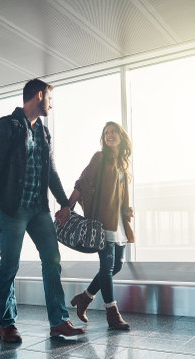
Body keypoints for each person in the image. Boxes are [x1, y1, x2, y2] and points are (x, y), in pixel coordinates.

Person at [0, 78, 85, 343]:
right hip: (11, 209)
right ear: (39, 95)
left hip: (39, 209)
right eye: (50, 98)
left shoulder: (43, 132)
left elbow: (51, 173)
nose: (52, 103)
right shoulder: (8, 126)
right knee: (10, 265)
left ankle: (58, 321)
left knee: (52, 260)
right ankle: (7, 324)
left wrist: (64, 203)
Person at [58, 121, 134, 330]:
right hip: (103, 222)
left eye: (113, 132)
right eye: (106, 132)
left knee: (116, 265)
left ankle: (85, 297)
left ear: (121, 136)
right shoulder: (99, 158)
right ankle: (112, 313)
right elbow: (82, 182)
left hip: (119, 222)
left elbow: (118, 195)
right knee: (107, 267)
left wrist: (127, 210)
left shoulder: (122, 164)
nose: (109, 135)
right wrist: (67, 206)